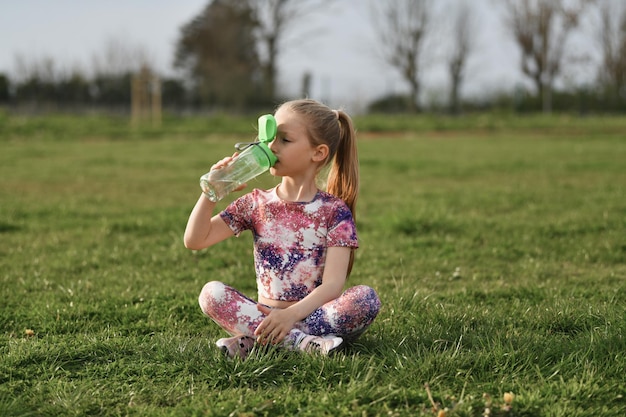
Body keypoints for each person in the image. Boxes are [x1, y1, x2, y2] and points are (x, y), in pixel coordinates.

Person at [184, 99, 381, 359]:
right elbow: (195, 240)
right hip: (265, 313)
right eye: (270, 138)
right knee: (211, 294)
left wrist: (290, 316)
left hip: (314, 316)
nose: (272, 147)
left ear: (318, 153)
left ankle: (259, 341)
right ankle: (304, 344)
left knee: (366, 299)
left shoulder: (334, 211)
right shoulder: (255, 203)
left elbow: (334, 285)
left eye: (285, 140)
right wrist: (211, 191)